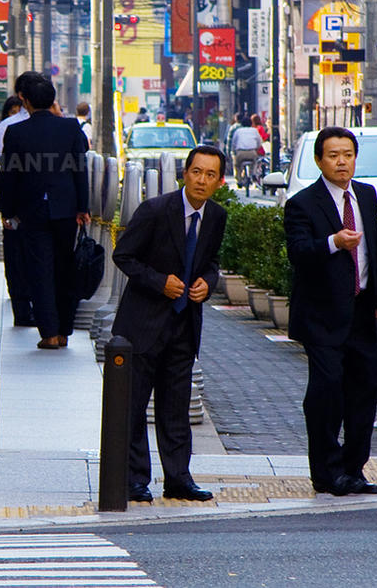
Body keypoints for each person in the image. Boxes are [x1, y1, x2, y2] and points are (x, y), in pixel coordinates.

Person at [111, 144, 228, 504]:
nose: (201, 180)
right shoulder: (156, 210)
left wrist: (209, 282)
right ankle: (134, 480)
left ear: (219, 182)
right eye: (196, 172)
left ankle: (178, 479)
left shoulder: (217, 216)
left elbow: (211, 262)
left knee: (175, 408)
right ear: (184, 173)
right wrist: (159, 281)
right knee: (133, 407)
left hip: (184, 325)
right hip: (143, 324)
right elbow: (123, 254)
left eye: (210, 175)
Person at [283, 126, 377, 496]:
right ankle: (327, 473)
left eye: (347, 154)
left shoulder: (364, 194)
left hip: (363, 311)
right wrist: (333, 242)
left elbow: (375, 254)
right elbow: (298, 252)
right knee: (327, 391)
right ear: (319, 160)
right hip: (322, 315)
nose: (341, 161)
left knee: (365, 390)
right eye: (333, 155)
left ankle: (354, 469)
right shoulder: (302, 203)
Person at [0, 76, 89, 349]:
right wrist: (83, 207)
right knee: (64, 268)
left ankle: (48, 333)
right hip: (66, 208)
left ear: (24, 100)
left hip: (31, 210)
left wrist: (7, 210)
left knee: (39, 270)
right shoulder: (71, 128)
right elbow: (79, 170)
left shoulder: (17, 132)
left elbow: (9, 175)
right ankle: (63, 331)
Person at [0, 86, 33, 327]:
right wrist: (3, 175)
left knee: (29, 255)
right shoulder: (7, 127)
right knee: (16, 254)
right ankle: (23, 307)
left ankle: (30, 306)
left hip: (35, 203)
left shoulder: (61, 125)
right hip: (16, 202)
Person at [229, 115, 263, 192]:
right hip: (252, 152)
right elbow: (259, 142)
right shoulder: (254, 131)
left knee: (237, 165)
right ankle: (253, 174)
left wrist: (234, 152)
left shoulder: (238, 131)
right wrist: (256, 148)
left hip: (240, 152)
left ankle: (239, 180)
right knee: (254, 163)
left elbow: (233, 143)